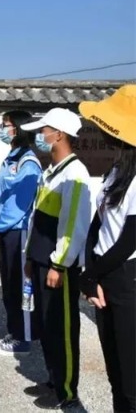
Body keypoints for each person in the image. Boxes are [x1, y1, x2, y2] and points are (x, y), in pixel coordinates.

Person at [22, 108, 92, 410]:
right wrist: (30, 256)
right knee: (47, 324)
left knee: (62, 328)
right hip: (41, 260)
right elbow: (37, 220)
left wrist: (59, 264)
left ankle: (66, 390)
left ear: (59, 135)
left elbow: (73, 225)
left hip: (57, 265)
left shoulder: (75, 175)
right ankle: (54, 378)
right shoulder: (52, 171)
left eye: (44, 130)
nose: (40, 136)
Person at [78, 84, 136, 413]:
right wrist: (90, 272)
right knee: (114, 372)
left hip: (127, 278)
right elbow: (98, 224)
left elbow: (130, 239)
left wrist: (92, 274)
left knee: (131, 378)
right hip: (106, 273)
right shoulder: (116, 171)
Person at [0, 111, 42, 356]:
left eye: (5, 125)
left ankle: (23, 338)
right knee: (9, 285)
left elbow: (19, 204)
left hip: (19, 232)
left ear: (18, 128)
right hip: (7, 231)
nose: (2, 129)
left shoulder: (28, 163)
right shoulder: (11, 158)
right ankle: (16, 331)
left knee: (20, 286)